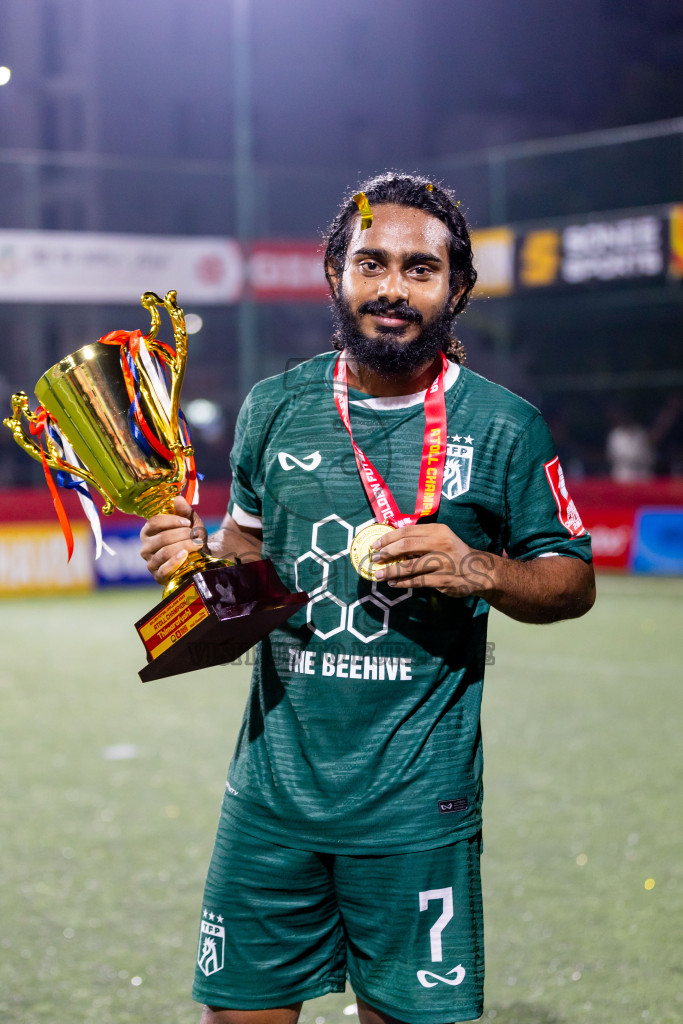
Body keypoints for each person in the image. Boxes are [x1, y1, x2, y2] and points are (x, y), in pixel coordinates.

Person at [140, 173, 595, 1024]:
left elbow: (571, 582)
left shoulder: (504, 426)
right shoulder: (273, 407)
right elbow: (245, 568)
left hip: (415, 809)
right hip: (271, 801)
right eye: (370, 263)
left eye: (419, 269)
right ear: (334, 273)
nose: (391, 288)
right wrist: (193, 567)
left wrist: (483, 570)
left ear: (457, 288)